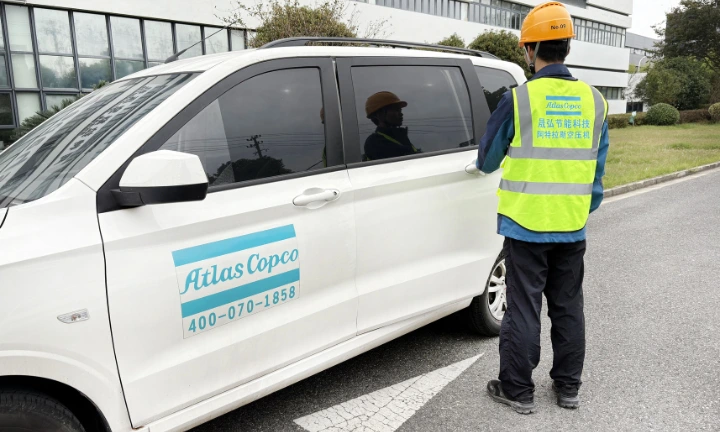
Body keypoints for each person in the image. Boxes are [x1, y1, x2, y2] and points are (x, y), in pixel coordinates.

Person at [475, 1, 610, 415]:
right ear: (568, 45)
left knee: (523, 307)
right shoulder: (595, 101)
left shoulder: (518, 100)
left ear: (530, 49)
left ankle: (517, 390)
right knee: (568, 308)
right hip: (571, 225)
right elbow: (597, 174)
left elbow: (487, 161)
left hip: (525, 225)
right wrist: (576, 210)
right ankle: (568, 388)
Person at [363, 91, 420, 161]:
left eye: (400, 110)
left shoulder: (400, 137)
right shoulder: (374, 142)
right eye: (395, 110)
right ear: (379, 115)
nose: (401, 114)